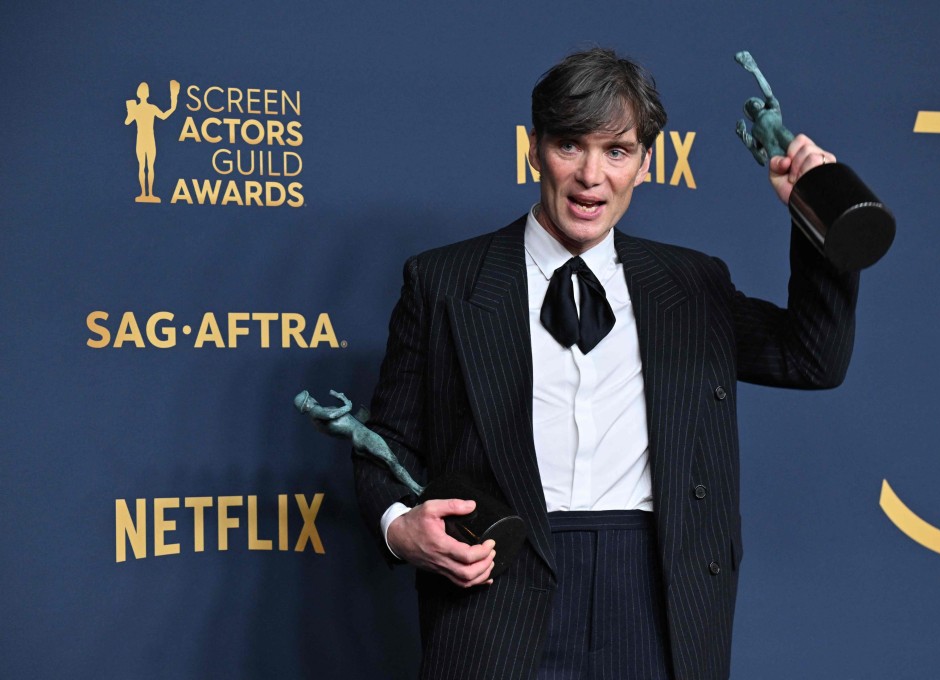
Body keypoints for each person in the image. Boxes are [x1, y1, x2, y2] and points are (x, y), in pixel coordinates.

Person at [353, 47, 858, 680]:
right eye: (570, 145)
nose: (592, 176)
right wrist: (400, 527)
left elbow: (812, 358)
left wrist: (818, 214)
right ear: (534, 149)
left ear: (645, 164)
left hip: (656, 599)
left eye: (617, 151)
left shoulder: (691, 284)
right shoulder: (444, 282)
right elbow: (387, 442)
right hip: (495, 593)